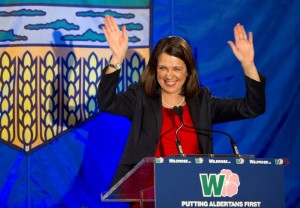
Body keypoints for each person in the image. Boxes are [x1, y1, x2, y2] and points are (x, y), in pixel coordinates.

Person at [97, 15, 265, 189]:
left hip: (193, 194)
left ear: (188, 72)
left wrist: (248, 65)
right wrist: (116, 59)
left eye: (177, 69)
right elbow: (106, 102)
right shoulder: (140, 98)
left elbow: (252, 107)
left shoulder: (202, 102)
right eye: (163, 68)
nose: (169, 76)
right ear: (155, 70)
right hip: (148, 195)